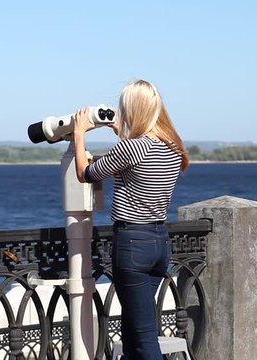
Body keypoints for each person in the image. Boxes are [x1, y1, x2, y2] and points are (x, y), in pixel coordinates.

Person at [73, 79, 189, 360]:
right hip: (160, 243)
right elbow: (138, 163)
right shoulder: (172, 146)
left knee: (145, 338)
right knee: (134, 329)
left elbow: (85, 173)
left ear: (132, 110)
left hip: (132, 243)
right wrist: (121, 133)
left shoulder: (132, 148)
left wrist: (79, 134)